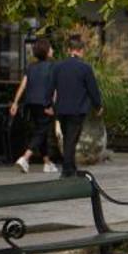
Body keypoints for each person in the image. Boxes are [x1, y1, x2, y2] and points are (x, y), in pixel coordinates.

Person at [44, 34, 101, 176]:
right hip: (78, 109)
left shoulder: (57, 66)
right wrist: (98, 105)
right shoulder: (85, 68)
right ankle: (67, 169)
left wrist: (48, 104)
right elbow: (92, 89)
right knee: (71, 139)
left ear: (69, 49)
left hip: (61, 109)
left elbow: (50, 87)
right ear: (81, 50)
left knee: (68, 138)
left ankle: (71, 167)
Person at [9, 38, 59, 173]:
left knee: (40, 131)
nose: (53, 50)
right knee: (42, 131)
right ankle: (25, 157)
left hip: (31, 103)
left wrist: (15, 102)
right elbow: (55, 88)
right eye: (51, 48)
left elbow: (23, 85)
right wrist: (53, 106)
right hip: (45, 103)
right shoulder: (53, 66)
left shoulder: (31, 66)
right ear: (47, 51)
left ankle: (47, 163)